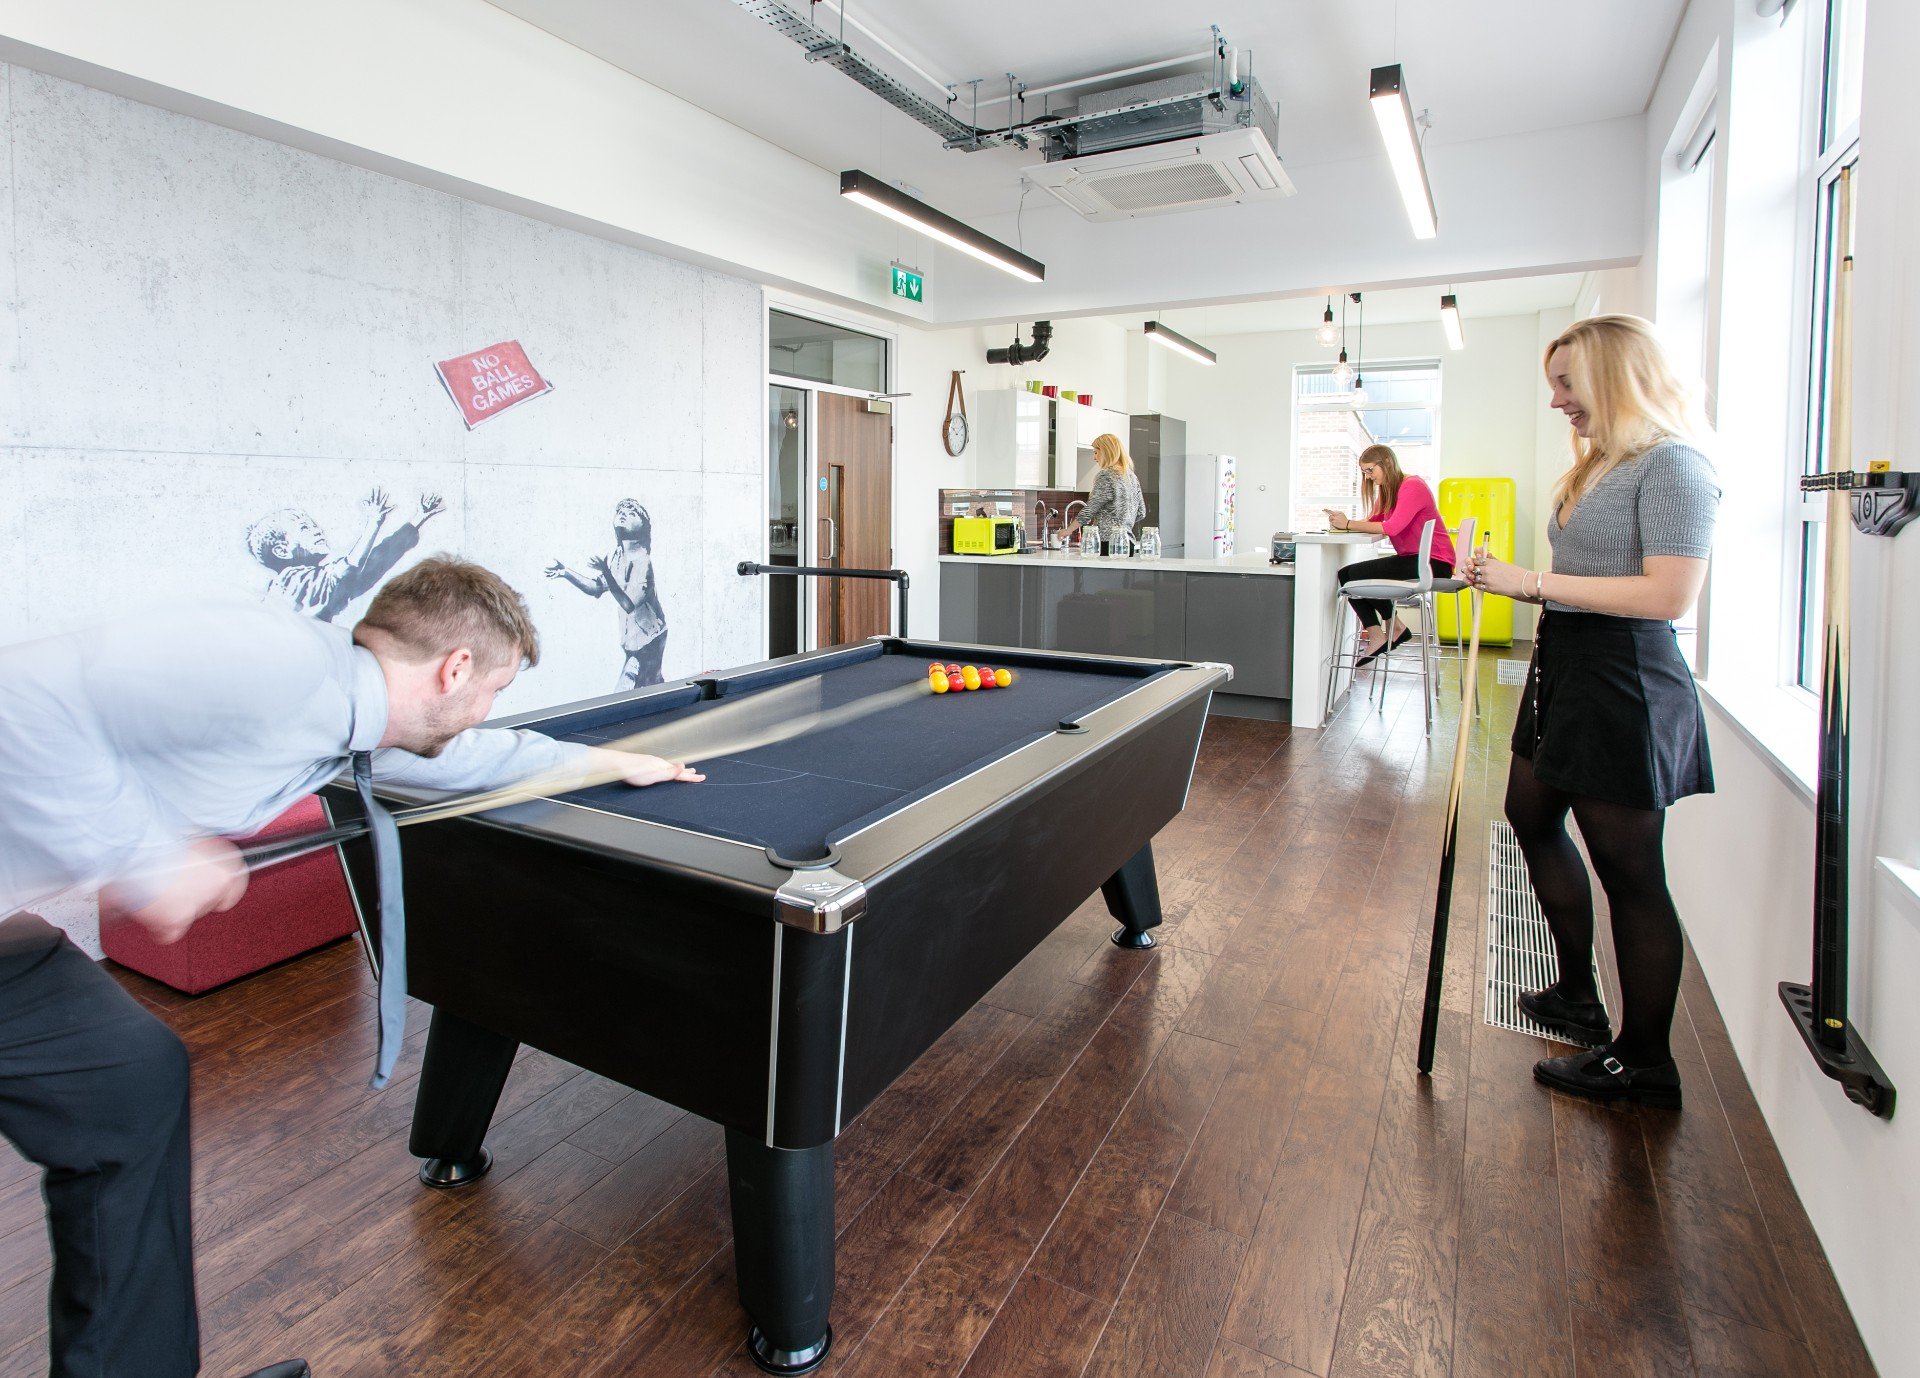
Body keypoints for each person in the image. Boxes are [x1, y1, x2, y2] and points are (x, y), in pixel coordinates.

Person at [0, 556, 702, 1378]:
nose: (482, 712)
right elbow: (21, 698)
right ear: (456, 668)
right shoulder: (279, 665)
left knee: (129, 1081)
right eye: (491, 691)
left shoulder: (351, 719)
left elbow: (474, 760)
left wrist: (605, 765)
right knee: (127, 1083)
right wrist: (146, 855)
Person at [1462, 314, 1718, 1110]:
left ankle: (1644, 1060)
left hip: (1623, 679)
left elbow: (1669, 594)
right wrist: (1514, 583)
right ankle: (1577, 991)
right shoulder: (1601, 465)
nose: (1557, 402)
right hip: (1567, 663)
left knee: (1631, 872)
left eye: (1568, 383)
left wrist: (1530, 582)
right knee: (1529, 816)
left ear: (1614, 376)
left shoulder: (1675, 465)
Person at [1325, 444, 1457, 665]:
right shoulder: (1388, 490)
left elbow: (1392, 527)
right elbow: (1374, 521)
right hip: (1414, 559)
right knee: (1348, 574)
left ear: (1386, 463)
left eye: (1370, 470)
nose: (1368, 477)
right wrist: (1342, 522)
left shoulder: (1412, 486)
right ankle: (1390, 628)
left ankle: (1384, 632)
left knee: (1352, 575)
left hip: (1434, 562)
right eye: (1364, 472)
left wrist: (1348, 523)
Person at [246, 488, 447, 622]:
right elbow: (352, 566)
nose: (317, 531)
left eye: (313, 525)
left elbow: (373, 564)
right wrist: (373, 522)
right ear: (281, 551)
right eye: (304, 528)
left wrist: (418, 518)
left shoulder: (319, 583)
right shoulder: (290, 582)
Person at [546, 498, 670, 688]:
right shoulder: (618, 556)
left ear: (643, 526)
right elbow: (596, 588)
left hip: (649, 642)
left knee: (626, 692)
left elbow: (628, 604)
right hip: (633, 644)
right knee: (650, 687)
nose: (623, 514)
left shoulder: (642, 560)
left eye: (631, 513)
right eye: (620, 511)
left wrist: (606, 572)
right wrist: (566, 572)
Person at [1068, 433, 1145, 551]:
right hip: (1127, 543)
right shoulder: (1132, 476)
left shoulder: (1106, 475)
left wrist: (1068, 530)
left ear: (1106, 451)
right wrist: (1122, 523)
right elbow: (1141, 512)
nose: (1094, 457)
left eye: (1096, 452)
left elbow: (1090, 509)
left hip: (1106, 543)